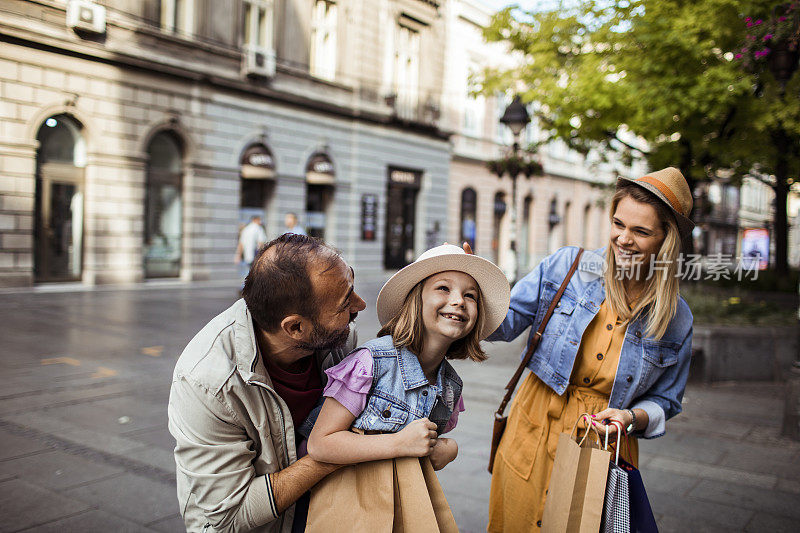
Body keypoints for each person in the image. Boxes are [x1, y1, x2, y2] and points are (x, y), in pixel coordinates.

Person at [486, 167, 695, 531]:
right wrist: (470, 285)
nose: (623, 239)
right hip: (532, 425)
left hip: (600, 446)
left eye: (641, 231)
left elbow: (667, 400)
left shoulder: (676, 317)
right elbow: (504, 324)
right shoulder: (569, 266)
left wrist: (631, 418)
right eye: (618, 224)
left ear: (666, 240)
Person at [168, 233, 367, 532]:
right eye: (344, 303)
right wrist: (334, 452)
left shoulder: (337, 340)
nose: (360, 305)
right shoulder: (208, 382)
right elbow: (228, 516)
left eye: (352, 287)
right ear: (296, 327)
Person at [306, 244, 510, 530]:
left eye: (470, 295)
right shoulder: (371, 363)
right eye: (443, 288)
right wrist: (398, 443)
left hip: (407, 508)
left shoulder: (450, 386)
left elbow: (423, 447)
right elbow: (320, 443)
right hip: (354, 510)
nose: (459, 301)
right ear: (416, 300)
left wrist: (446, 448)